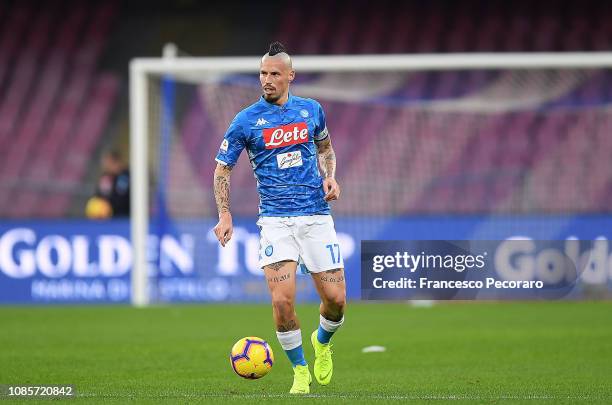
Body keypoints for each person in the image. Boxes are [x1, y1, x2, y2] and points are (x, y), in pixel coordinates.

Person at [213, 42, 345, 394]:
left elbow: (326, 148)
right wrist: (225, 214)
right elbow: (222, 170)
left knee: (336, 300)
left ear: (290, 76)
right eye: (262, 73)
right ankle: (300, 369)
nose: (267, 79)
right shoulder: (245, 121)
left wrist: (330, 175)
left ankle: (323, 343)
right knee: (282, 301)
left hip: (316, 216)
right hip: (275, 221)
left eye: (274, 73)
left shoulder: (311, 111)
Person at [90, 149, 130, 218]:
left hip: (123, 218)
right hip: (106, 219)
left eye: (108, 163)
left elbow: (122, 199)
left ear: (116, 162)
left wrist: (108, 206)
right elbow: (99, 195)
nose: (106, 166)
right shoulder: (106, 177)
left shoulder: (125, 177)